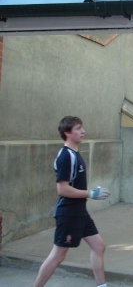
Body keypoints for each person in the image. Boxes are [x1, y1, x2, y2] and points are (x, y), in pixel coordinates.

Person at [34, 116, 111, 287]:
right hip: (68, 213)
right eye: (78, 128)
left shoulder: (75, 154)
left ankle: (102, 286)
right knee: (58, 255)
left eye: (82, 127)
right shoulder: (66, 156)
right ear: (67, 133)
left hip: (79, 212)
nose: (82, 131)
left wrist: (89, 193)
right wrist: (90, 193)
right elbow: (62, 189)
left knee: (99, 246)